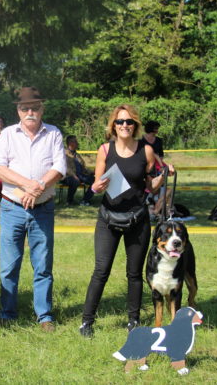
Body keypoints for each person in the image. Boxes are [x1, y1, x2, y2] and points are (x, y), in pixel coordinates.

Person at [79, 104, 169, 338]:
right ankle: (86, 322)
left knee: (134, 273)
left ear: (136, 125)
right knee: (101, 270)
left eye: (129, 121)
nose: (124, 125)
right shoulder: (105, 150)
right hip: (108, 218)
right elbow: (97, 184)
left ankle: (133, 320)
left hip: (138, 219)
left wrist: (163, 177)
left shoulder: (146, 150)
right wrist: (95, 187)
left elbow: (149, 186)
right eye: (120, 122)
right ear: (113, 126)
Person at [0, 87, 66, 332]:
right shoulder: (7, 135)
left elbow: (60, 167)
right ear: (18, 111)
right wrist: (27, 185)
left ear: (42, 108)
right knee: (9, 265)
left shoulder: (53, 133)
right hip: (12, 207)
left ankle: (44, 315)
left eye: (35, 107)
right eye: (25, 108)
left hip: (42, 208)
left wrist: (40, 186)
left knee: (43, 265)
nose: (30, 112)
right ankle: (7, 312)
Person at [63, 135, 95, 206]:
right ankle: (69, 201)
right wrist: (74, 176)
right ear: (70, 143)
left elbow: (84, 167)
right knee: (75, 181)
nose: (77, 143)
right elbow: (66, 168)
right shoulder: (64, 154)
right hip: (68, 176)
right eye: (75, 141)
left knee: (95, 181)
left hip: (81, 176)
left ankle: (85, 200)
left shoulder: (77, 155)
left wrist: (92, 172)